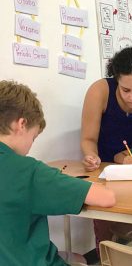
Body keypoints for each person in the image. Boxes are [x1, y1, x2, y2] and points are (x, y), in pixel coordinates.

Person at [0, 80, 116, 266]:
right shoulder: (28, 171)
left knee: (74, 257)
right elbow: (106, 198)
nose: (30, 147)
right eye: (33, 137)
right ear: (21, 124)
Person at [81, 46, 132, 171]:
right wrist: (92, 157)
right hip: (104, 167)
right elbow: (88, 139)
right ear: (116, 80)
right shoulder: (99, 92)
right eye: (125, 90)